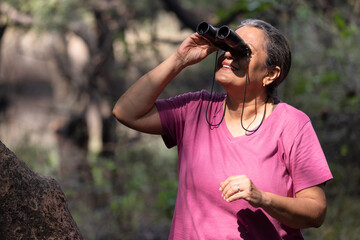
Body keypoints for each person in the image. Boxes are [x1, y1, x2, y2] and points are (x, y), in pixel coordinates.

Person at [112, 19, 333, 239]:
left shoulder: (292, 124)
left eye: (242, 51)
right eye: (227, 47)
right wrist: (179, 59)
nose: (228, 55)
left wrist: (263, 198)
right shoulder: (194, 110)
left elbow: (315, 212)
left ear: (271, 74)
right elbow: (126, 112)